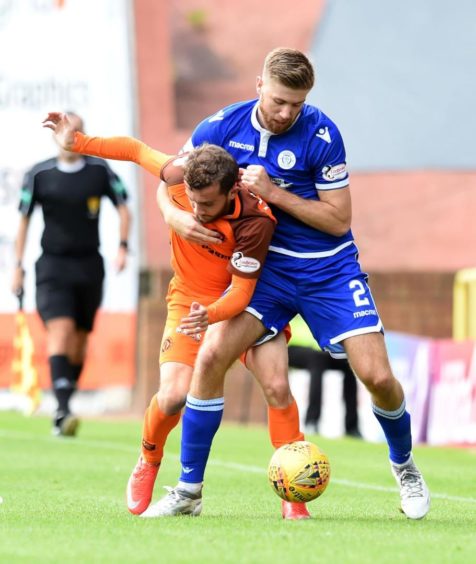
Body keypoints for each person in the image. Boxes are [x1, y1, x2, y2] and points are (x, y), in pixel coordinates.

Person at [145, 47, 431, 520]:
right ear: (259, 84)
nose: (286, 113)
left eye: (296, 104)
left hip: (328, 270)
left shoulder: (322, 134)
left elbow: (339, 220)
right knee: (212, 355)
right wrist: (174, 215)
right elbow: (168, 176)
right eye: (279, 101)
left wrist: (273, 193)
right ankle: (188, 491)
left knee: (378, 377)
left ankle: (405, 467)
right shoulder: (219, 127)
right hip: (267, 273)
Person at [42, 113, 308, 520]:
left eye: (208, 204)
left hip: (244, 306)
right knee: (172, 396)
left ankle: (293, 494)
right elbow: (133, 150)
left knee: (276, 385)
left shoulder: (255, 221)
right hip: (188, 300)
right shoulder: (180, 173)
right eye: (192, 200)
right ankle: (148, 460)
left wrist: (212, 315)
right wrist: (78, 141)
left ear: (231, 189)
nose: (198, 210)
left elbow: (241, 292)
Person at [12, 112, 131, 437]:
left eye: (77, 130)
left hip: (89, 265)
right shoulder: (39, 174)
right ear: (55, 135)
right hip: (52, 265)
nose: (71, 136)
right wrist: (17, 267)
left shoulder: (99, 171)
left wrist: (122, 245)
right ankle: (62, 410)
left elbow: (123, 207)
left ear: (84, 135)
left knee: (79, 340)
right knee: (60, 330)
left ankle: (66, 399)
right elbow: (23, 221)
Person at [288, 315, 361, 438]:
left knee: (348, 363)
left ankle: (352, 427)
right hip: (291, 347)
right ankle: (311, 421)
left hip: (319, 350)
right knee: (317, 359)